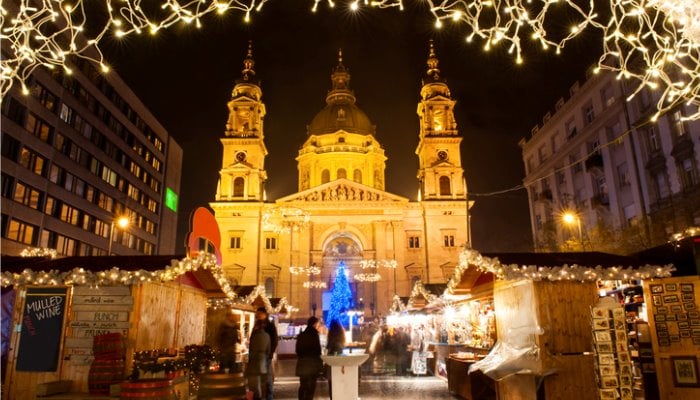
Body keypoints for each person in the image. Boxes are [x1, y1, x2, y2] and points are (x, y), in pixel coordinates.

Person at [295, 317, 323, 400]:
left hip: (302, 364)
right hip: (312, 365)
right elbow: (318, 350)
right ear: (314, 324)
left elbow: (297, 350)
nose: (318, 326)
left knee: (303, 386)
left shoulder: (301, 335)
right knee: (311, 388)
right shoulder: (315, 335)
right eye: (318, 324)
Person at [255, 307, 278, 400]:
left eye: (259, 313)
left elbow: (275, 340)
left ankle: (269, 397)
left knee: (268, 378)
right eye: (257, 313)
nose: (258, 315)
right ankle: (259, 396)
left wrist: (270, 352)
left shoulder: (270, 326)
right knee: (257, 379)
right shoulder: (256, 325)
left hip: (266, 355)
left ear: (264, 314)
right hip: (256, 356)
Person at [245, 319, 271, 400]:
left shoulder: (254, 336)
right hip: (262, 362)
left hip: (254, 362)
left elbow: (251, 349)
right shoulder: (267, 336)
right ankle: (261, 397)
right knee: (261, 384)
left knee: (254, 385)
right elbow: (268, 350)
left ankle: (257, 397)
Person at [325, 320, 346, 399]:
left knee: (332, 388)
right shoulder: (339, 343)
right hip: (337, 369)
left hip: (331, 369)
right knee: (337, 387)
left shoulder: (331, 342)